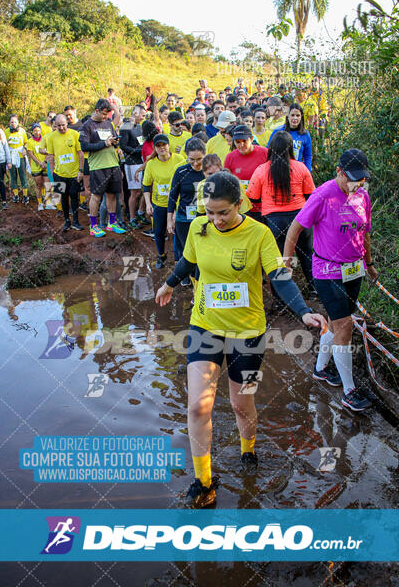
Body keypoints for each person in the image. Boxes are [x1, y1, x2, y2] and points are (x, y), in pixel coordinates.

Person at [155, 171, 325, 507]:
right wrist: (170, 283)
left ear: (240, 204)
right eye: (210, 212)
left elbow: (280, 277)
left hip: (248, 333)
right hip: (205, 325)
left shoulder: (259, 234)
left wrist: (303, 311)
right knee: (197, 405)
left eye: (223, 212)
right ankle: (204, 483)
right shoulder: (200, 228)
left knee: (240, 403)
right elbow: (188, 261)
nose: (215, 220)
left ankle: (248, 450)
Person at [283, 149, 378, 411]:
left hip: (354, 270)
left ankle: (321, 368)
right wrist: (287, 262)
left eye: (360, 179)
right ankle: (349, 391)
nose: (356, 184)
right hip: (327, 270)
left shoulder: (362, 196)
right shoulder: (324, 195)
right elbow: (295, 228)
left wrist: (369, 264)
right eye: (351, 179)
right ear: (339, 172)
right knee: (345, 326)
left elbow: (365, 233)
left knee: (337, 324)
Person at [247, 130, 316, 304]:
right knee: (306, 255)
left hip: (274, 221)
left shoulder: (262, 170)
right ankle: (314, 290)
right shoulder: (300, 167)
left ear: (270, 149)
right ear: (290, 148)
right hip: (300, 219)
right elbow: (311, 194)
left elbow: (252, 196)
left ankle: (280, 299)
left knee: (277, 260)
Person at [79, 99, 126, 237]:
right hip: (98, 166)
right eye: (104, 114)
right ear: (97, 111)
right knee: (96, 195)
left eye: (108, 115)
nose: (106, 117)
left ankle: (112, 223)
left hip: (113, 164)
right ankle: (94, 225)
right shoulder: (87, 126)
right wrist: (104, 144)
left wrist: (117, 145)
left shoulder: (108, 123)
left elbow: (112, 139)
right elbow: (85, 147)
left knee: (113, 194)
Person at [142, 134, 185, 268]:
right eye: (158, 146)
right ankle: (161, 255)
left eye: (164, 145)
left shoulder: (179, 159)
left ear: (168, 145)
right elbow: (146, 185)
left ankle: (180, 259)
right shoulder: (151, 164)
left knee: (179, 231)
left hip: (178, 203)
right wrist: (148, 203)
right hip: (160, 203)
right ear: (155, 148)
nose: (162, 148)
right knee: (158, 231)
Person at [167, 138, 206, 283]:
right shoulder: (181, 171)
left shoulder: (208, 171)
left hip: (203, 218)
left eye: (199, 159)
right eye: (192, 160)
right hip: (184, 218)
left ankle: (199, 281)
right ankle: (189, 277)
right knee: (187, 250)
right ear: (186, 155)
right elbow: (172, 195)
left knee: (202, 251)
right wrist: (169, 219)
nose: (196, 164)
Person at [47, 114, 84, 231]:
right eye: (58, 126)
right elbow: (51, 156)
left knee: (74, 196)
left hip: (73, 173)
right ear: (55, 125)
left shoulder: (75, 134)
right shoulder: (51, 137)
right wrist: (53, 173)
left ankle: (76, 222)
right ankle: (67, 221)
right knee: (63, 198)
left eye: (63, 125)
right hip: (59, 173)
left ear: (67, 123)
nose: (61, 128)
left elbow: (80, 154)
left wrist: (81, 171)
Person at [224, 124, 268, 222]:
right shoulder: (230, 157)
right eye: (237, 142)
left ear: (251, 139)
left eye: (244, 141)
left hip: (262, 206)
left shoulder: (265, 153)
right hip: (242, 207)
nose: (241, 145)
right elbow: (227, 182)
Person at [268, 103, 312, 171]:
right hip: (279, 170)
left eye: (298, 115)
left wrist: (307, 172)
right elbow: (268, 150)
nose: (295, 118)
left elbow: (308, 156)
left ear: (301, 117)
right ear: (288, 116)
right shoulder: (278, 131)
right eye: (292, 115)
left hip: (297, 171)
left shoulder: (305, 134)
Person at [119, 114, 144, 229]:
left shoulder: (139, 127)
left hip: (142, 162)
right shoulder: (125, 127)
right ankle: (132, 218)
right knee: (134, 193)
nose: (143, 117)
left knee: (142, 191)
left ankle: (139, 214)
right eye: (142, 115)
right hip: (131, 164)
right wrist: (138, 151)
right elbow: (123, 146)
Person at [5, 115, 28, 204]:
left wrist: (24, 149)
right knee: (13, 176)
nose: (13, 124)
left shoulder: (22, 131)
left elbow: (26, 142)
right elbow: (4, 143)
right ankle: (15, 195)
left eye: (15, 122)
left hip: (20, 155)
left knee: (22, 175)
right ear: (9, 123)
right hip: (11, 156)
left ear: (18, 122)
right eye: (12, 122)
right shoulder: (6, 132)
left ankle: (25, 195)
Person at [26, 123, 48, 211]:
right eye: (35, 130)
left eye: (38, 130)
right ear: (32, 131)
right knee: (39, 185)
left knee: (47, 184)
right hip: (36, 166)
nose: (37, 132)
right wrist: (40, 163)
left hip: (46, 165)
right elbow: (30, 154)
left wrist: (45, 162)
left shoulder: (45, 139)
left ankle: (48, 202)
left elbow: (49, 151)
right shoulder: (30, 141)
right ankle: (40, 203)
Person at [0, 127, 11, 209]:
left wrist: (9, 161)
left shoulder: (0, 132)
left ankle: (4, 201)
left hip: (1, 162)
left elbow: (6, 147)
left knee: (1, 181)